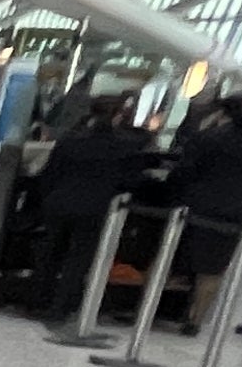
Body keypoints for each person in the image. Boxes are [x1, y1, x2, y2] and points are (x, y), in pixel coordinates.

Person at [29, 96, 165, 322]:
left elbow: (50, 174)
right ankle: (60, 307)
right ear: (119, 116)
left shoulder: (69, 141)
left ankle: (37, 301)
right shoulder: (124, 146)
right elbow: (130, 180)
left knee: (50, 252)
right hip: (94, 208)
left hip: (59, 203)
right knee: (79, 258)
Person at [164, 89, 242, 326]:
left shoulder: (209, 138)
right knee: (213, 268)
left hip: (196, 205)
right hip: (236, 207)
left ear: (221, 112)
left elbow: (185, 170)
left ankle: (158, 311)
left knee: (176, 260)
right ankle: (196, 319)